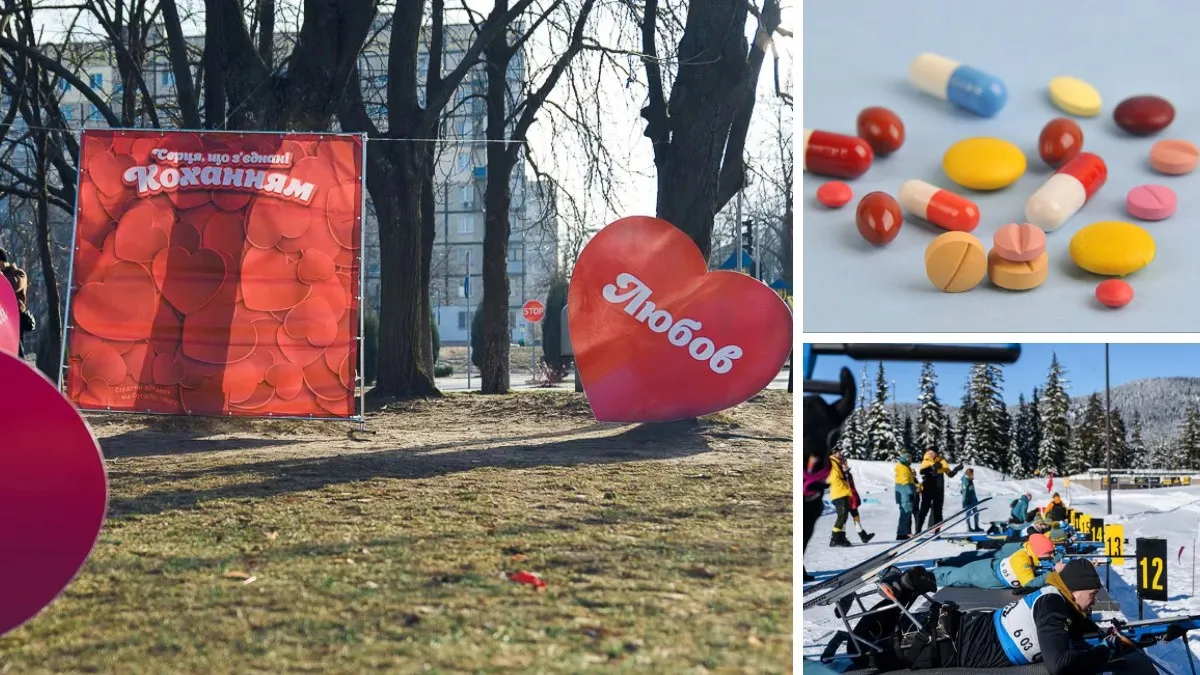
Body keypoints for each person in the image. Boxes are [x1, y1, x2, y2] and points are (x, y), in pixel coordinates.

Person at [880, 559, 1125, 673]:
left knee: (883, 642)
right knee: (874, 654)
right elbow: (1059, 665)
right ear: (1074, 589)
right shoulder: (1052, 604)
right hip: (951, 643)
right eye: (1092, 594)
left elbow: (1071, 629)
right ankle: (895, 593)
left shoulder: (1054, 597)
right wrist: (1106, 651)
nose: (1094, 600)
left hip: (961, 632)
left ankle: (898, 592)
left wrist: (1106, 635)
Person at [934, 532, 1058, 590]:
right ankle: (928, 577)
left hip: (990, 574)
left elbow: (1047, 562)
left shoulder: (1032, 553)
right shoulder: (1022, 559)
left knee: (958, 579)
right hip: (984, 573)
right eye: (1048, 552)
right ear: (1038, 551)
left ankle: (936, 572)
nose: (1051, 555)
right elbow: (1029, 584)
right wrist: (1051, 575)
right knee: (952, 578)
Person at [828, 450, 874, 546]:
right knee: (843, 516)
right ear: (833, 453)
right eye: (838, 453)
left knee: (846, 516)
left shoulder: (841, 467)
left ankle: (841, 538)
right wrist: (844, 472)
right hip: (841, 493)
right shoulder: (832, 462)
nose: (840, 455)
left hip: (846, 494)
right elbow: (837, 478)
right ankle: (836, 538)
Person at [916, 450, 962, 532]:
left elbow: (950, 474)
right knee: (924, 510)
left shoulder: (942, 462)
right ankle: (918, 531)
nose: (932, 455)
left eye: (933, 453)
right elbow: (922, 472)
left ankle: (937, 531)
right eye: (930, 453)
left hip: (939, 490)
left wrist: (956, 469)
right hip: (928, 489)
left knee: (938, 511)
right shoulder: (926, 461)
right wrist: (933, 467)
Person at [0, 248, 32, 357]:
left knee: (16, 354)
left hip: (14, 321)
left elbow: (10, 285)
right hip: (2, 321)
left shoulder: (19, 274)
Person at [894, 452, 919, 540]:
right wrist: (910, 494)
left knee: (906, 513)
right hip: (905, 496)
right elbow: (905, 482)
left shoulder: (905, 467)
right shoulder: (903, 468)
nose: (910, 460)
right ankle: (902, 534)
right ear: (905, 459)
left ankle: (905, 532)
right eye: (909, 459)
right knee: (905, 514)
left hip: (905, 495)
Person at [961, 467, 981, 532]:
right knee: (968, 514)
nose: (973, 475)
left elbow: (972, 491)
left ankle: (976, 527)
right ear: (969, 473)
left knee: (976, 513)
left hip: (973, 500)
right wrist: (966, 501)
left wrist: (975, 499)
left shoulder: (970, 480)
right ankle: (968, 527)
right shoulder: (965, 481)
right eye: (972, 473)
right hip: (968, 501)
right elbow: (964, 491)